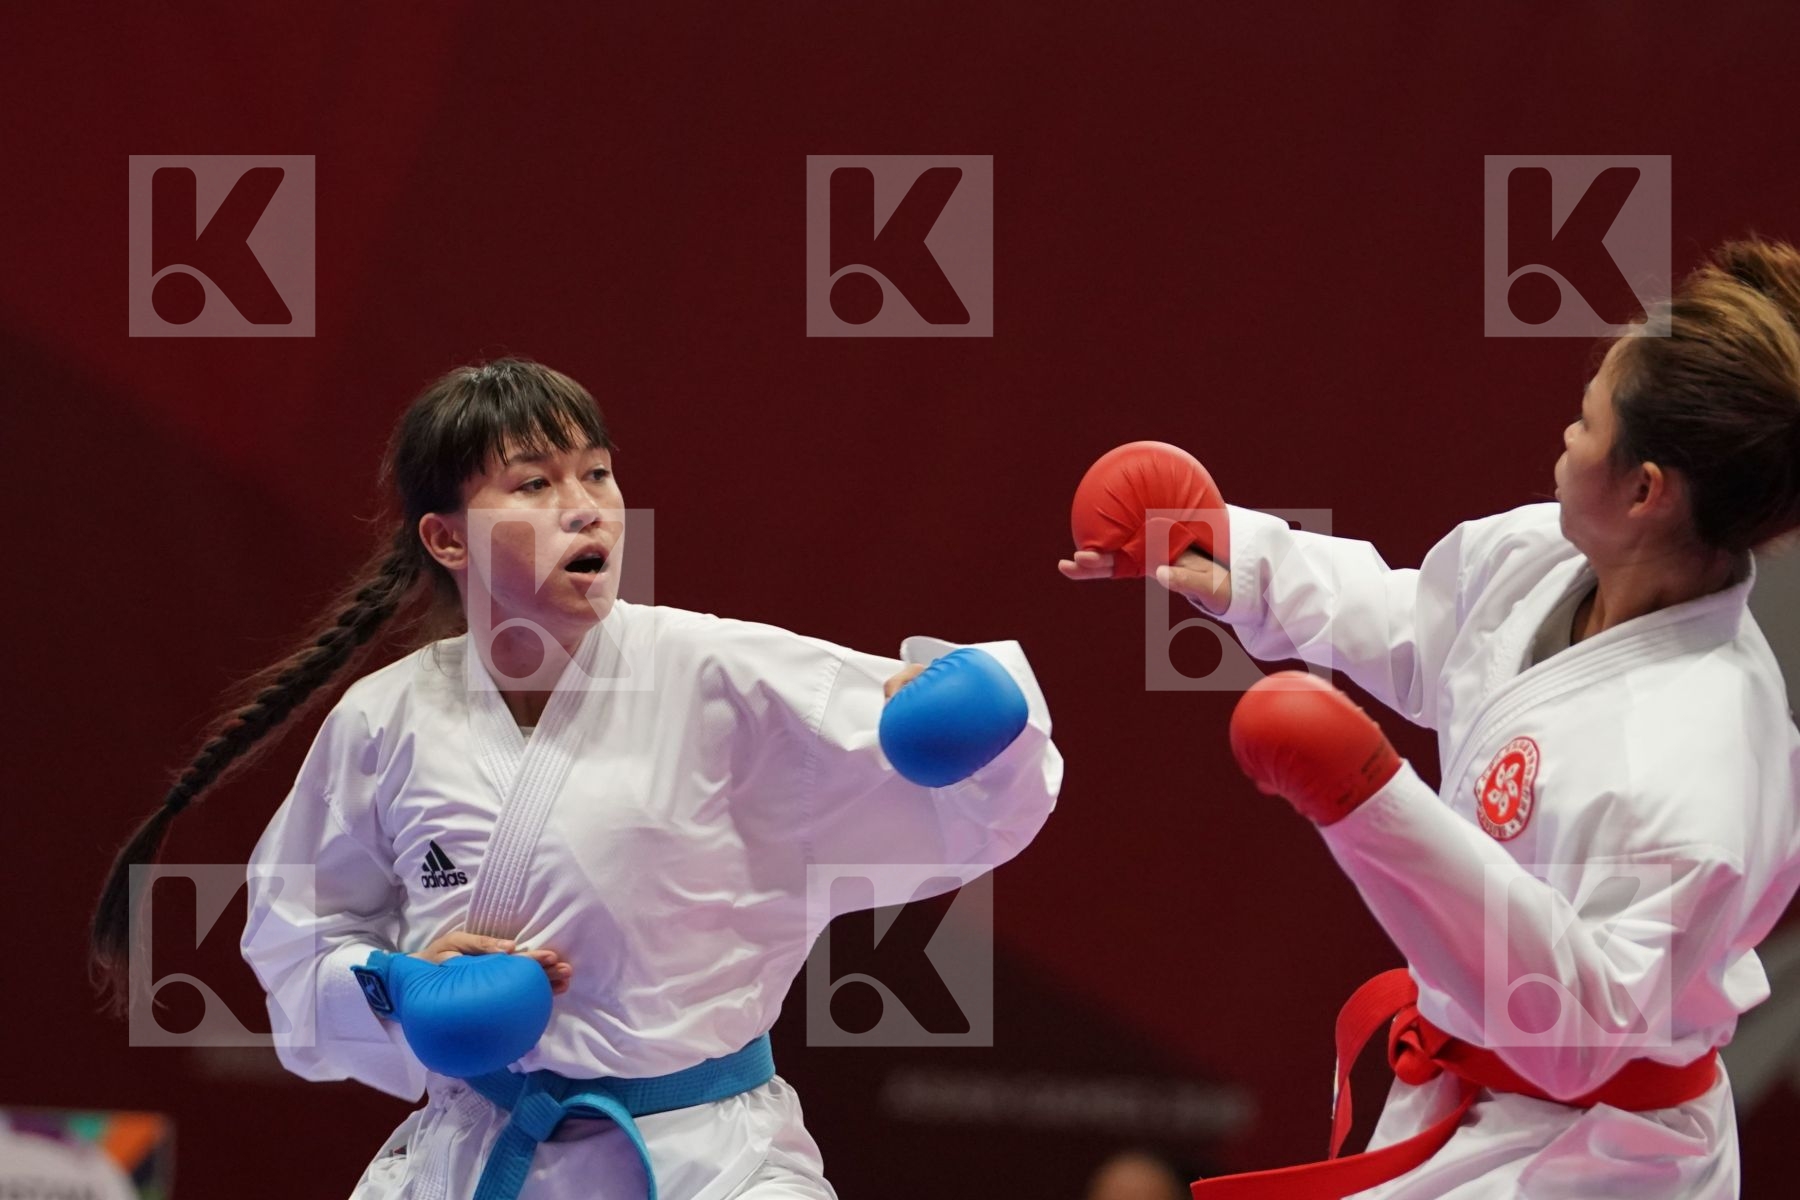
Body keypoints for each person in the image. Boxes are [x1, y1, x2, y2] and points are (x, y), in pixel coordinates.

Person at [90, 358, 1063, 1200]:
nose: (586, 503)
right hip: (478, 1155)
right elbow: (298, 942)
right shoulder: (385, 721)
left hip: (710, 1162)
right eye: (534, 483)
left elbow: (961, 767)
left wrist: (980, 716)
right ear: (447, 539)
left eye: (596, 473)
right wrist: (396, 984)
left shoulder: (718, 673)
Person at [1061, 237, 1800, 1196]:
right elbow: (1425, 632)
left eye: (1585, 424)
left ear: (1645, 490)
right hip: (1458, 1095)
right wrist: (1233, 551)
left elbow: (1575, 1031)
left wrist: (1369, 807)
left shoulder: (1702, 757)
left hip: (1601, 1157)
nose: (1564, 441)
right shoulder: (1548, 554)